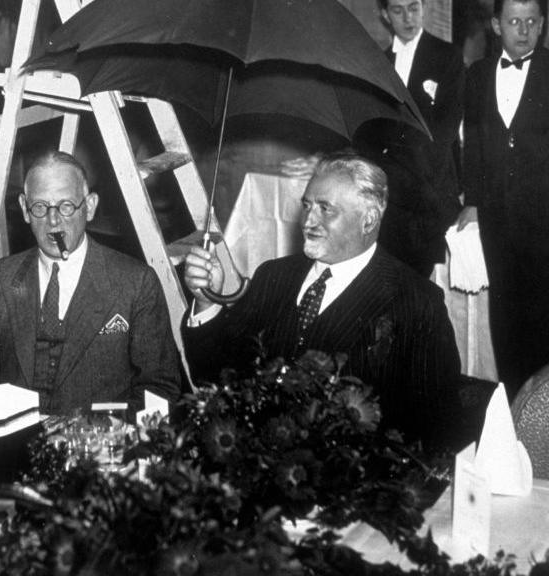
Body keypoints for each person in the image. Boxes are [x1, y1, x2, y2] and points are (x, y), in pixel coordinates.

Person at [182, 153, 462, 450]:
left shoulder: (417, 303)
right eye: (306, 206)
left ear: (368, 219)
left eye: (325, 209)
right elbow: (214, 377)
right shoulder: (273, 276)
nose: (308, 221)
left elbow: (436, 427)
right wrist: (205, 302)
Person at [0, 151, 181, 415]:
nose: (53, 221)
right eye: (40, 207)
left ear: (91, 206)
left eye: (66, 206)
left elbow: (159, 391)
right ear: (25, 209)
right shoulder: (0, 279)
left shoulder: (136, 282)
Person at [457, 0, 549, 399]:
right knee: (508, 321)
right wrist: (474, 201)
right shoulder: (477, 75)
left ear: (543, 24)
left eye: (532, 21)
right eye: (515, 21)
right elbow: (474, 144)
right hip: (501, 221)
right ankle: (516, 414)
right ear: (497, 25)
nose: (524, 30)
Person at [360, 0, 464, 277]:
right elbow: (370, 130)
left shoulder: (447, 56)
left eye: (413, 7)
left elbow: (445, 131)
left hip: (427, 192)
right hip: (390, 197)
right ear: (384, 15)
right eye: (398, 10)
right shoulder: (378, 62)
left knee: (419, 286)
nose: (408, 17)